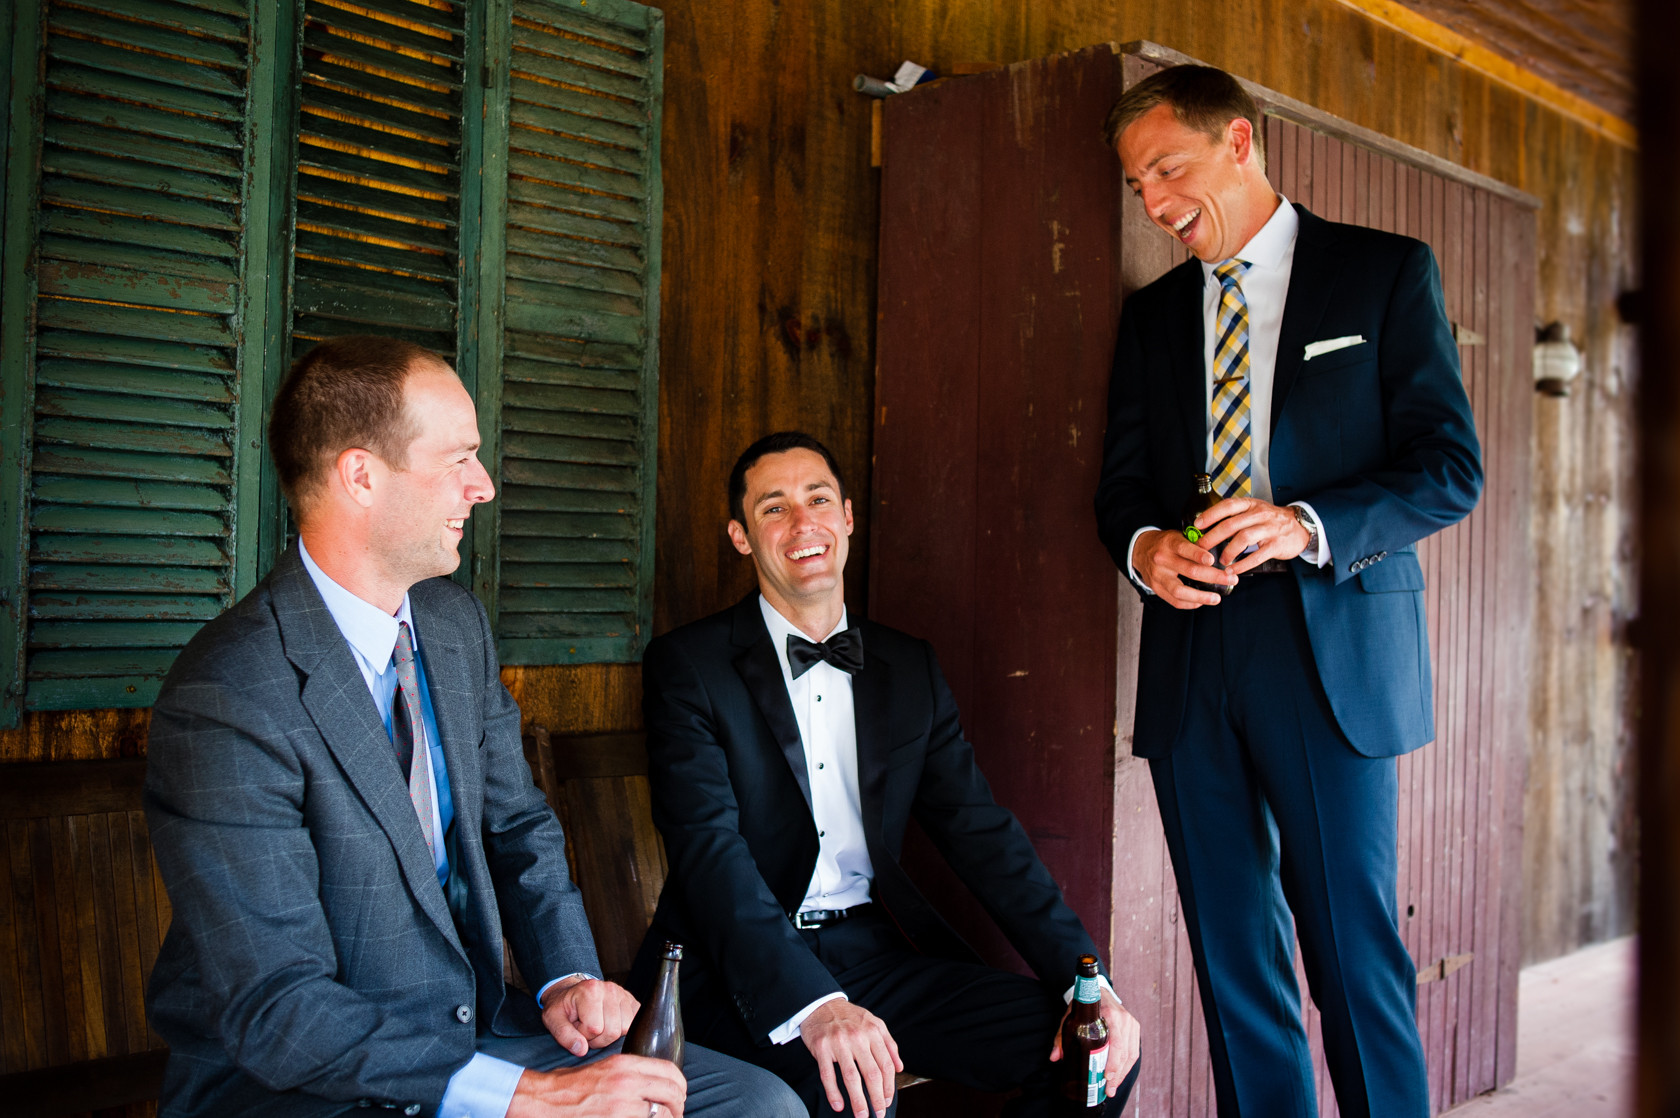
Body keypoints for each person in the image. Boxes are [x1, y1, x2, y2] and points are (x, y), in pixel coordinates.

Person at [143, 336, 802, 1118]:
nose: (482, 486)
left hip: (481, 1030)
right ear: (360, 476)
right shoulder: (227, 692)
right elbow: (277, 1009)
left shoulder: (453, 626)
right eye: (459, 458)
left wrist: (567, 979)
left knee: (759, 1106)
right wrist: (530, 1098)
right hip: (300, 1086)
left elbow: (518, 827)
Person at [1093, 65, 1483, 1118]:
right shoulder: (1155, 316)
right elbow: (1120, 488)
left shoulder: (1384, 275)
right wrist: (1143, 550)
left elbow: (1452, 469)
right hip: (1191, 658)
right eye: (1138, 188)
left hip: (1331, 652)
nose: (1159, 203)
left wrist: (1304, 523)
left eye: (1168, 169)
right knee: (1234, 966)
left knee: (1354, 958)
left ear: (1240, 144)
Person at [632, 432, 1142, 1118]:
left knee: (1093, 1052)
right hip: (732, 970)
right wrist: (814, 1004)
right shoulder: (688, 667)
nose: (802, 523)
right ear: (742, 537)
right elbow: (709, 854)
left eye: (817, 500)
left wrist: (1091, 983)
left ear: (846, 516)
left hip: (873, 954)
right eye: (773, 508)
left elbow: (983, 835)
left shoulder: (909, 671)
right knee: (854, 1091)